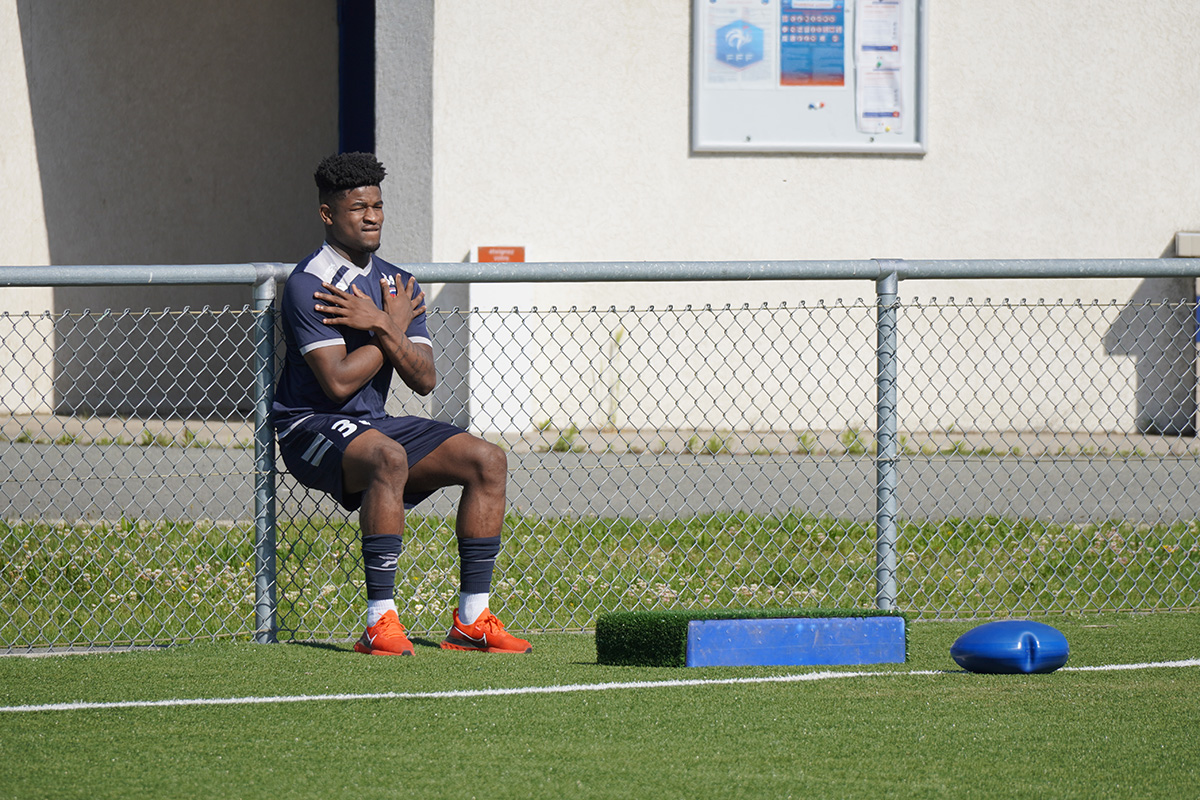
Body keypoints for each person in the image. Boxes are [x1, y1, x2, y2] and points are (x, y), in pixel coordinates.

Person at [272, 151, 530, 656]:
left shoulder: (398, 284)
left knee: (488, 460)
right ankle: (378, 623)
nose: (371, 217)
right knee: (388, 457)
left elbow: (425, 377)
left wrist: (383, 321)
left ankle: (472, 620)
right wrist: (387, 327)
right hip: (311, 427)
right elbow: (338, 384)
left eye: (378, 206)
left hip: (374, 424)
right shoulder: (311, 285)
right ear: (328, 214)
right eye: (357, 208)